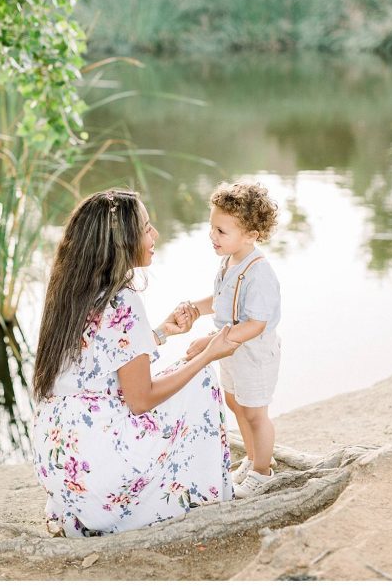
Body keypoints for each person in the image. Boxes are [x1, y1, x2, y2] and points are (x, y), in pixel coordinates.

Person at [31, 189, 239, 536]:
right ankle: (201, 497)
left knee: (177, 369)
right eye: (146, 228)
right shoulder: (123, 300)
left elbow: (94, 366)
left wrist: (159, 333)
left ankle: (90, 511)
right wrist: (208, 354)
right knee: (200, 379)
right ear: (122, 242)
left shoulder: (72, 289)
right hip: (99, 468)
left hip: (60, 459)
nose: (155, 235)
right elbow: (140, 400)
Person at [182, 182, 281, 499]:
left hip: (253, 353)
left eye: (221, 231)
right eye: (212, 228)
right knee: (235, 402)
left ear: (251, 235)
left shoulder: (259, 271)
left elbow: (256, 323)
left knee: (255, 413)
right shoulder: (229, 262)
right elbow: (224, 299)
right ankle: (253, 458)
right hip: (230, 349)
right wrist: (197, 308)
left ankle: (263, 473)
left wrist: (211, 342)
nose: (213, 236)